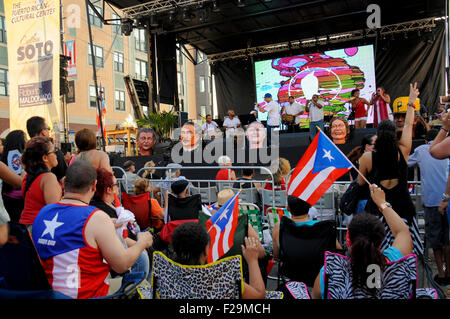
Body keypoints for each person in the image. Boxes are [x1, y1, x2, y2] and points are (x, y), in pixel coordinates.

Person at [32, 161, 153, 299]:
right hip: (87, 295)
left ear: (64, 183)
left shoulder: (43, 213)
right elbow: (122, 265)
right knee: (143, 286)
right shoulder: (95, 217)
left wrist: (106, 226)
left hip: (49, 294)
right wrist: (142, 242)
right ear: (94, 186)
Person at [312, 184, 413, 299]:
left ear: (348, 239)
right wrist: (382, 203)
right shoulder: (394, 261)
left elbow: (316, 295)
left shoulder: (331, 271)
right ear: (380, 242)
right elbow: (403, 232)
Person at [358, 83, 423, 256]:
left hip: (376, 214)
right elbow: (409, 125)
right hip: (403, 211)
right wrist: (411, 102)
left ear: (377, 135)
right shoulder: (403, 151)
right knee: (406, 256)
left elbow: (360, 183)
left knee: (376, 257)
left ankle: (376, 282)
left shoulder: (367, 158)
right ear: (395, 135)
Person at [170, 222, 266, 299]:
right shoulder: (221, 278)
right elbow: (259, 296)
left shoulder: (167, 275)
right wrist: (252, 260)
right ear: (206, 250)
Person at [408, 129, 450, 285]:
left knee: (434, 239)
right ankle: (449, 272)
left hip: (431, 201)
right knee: (447, 238)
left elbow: (406, 162)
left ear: (426, 141)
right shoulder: (447, 147)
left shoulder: (421, 150)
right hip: (448, 199)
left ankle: (441, 273)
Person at [272, 196, 342, 286]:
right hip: (318, 275)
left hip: (292, 273)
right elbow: (339, 252)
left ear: (288, 208)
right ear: (310, 206)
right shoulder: (323, 229)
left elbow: (276, 255)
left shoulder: (280, 227)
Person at [19, 137, 62, 228]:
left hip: (26, 226)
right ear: (45, 158)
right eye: (54, 152)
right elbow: (54, 209)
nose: (56, 154)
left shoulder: (28, 175)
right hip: (39, 227)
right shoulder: (49, 178)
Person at [26, 116, 67, 182]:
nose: (49, 132)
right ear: (43, 132)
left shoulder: (26, 152)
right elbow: (64, 177)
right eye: (48, 129)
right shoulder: (53, 151)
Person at [0, 130, 26, 222]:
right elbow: (17, 182)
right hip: (15, 199)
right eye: (25, 139)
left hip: (7, 197)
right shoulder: (15, 155)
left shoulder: (7, 154)